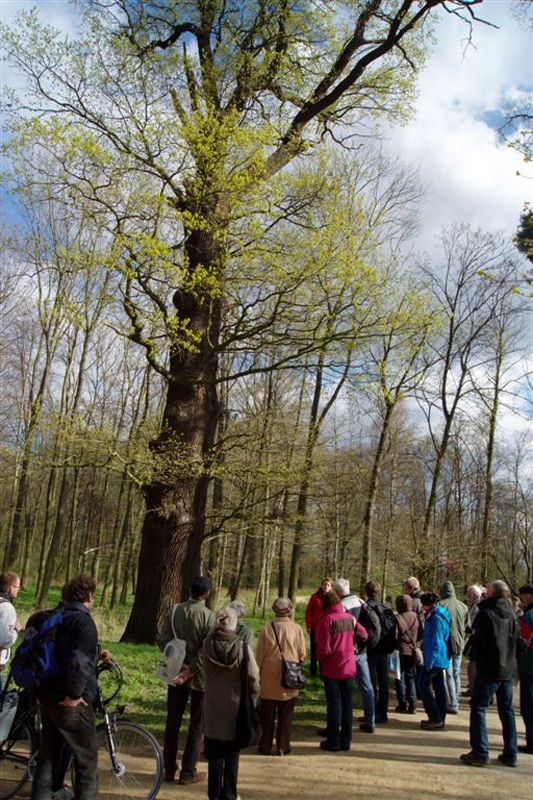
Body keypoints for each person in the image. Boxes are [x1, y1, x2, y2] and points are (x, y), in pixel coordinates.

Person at [30, 574, 99, 800]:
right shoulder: (83, 622)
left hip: (46, 695)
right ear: (89, 596)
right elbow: (78, 661)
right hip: (71, 703)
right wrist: (74, 695)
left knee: (47, 758)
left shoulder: (53, 616)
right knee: (86, 762)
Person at [158, 575, 216, 785]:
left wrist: (178, 662)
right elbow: (206, 650)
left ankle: (169, 769)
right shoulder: (210, 617)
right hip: (200, 677)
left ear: (190, 590)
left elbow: (163, 639)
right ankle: (188, 772)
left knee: (172, 721)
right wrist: (191, 667)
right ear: (206, 594)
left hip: (175, 671)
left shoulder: (174, 611)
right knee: (196, 725)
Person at [202, 606, 260, 800]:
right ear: (234, 625)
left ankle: (214, 794)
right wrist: (253, 696)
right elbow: (253, 677)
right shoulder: (243, 647)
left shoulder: (206, 645)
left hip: (212, 706)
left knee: (214, 754)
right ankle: (229, 794)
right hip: (235, 708)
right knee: (232, 754)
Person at [460, 579, 519, 767]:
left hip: (489, 669)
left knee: (478, 708)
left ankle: (480, 752)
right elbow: (517, 640)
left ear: (493, 593)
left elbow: (479, 642)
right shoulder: (512, 613)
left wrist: (476, 656)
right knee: (507, 711)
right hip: (507, 669)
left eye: (487, 591)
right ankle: (511, 753)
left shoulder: (486, 613)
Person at [315, 589, 368, 752]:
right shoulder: (350, 618)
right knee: (347, 704)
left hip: (332, 668)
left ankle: (333, 741)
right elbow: (365, 635)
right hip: (349, 666)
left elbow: (324, 649)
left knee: (334, 705)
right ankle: (346, 740)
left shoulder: (326, 621)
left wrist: (319, 659)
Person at [255, 597, 306, 756]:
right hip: (289, 677)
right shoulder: (297, 629)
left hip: (269, 677)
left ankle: (265, 746)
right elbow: (303, 654)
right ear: (290, 610)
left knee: (267, 715)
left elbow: (259, 657)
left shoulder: (266, 629)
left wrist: (257, 676)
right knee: (286, 715)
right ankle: (283, 746)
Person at [333, 578, 376, 733]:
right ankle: (370, 721)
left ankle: (338, 724)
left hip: (347, 651)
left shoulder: (342, 607)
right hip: (362, 649)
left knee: (343, 690)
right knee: (367, 686)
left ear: (336, 592)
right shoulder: (361, 602)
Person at [365, 580, 396, 724]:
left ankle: (371, 714)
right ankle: (382, 713)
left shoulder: (366, 608)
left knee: (371, 683)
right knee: (383, 683)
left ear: (366, 592)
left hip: (371, 649)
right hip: (384, 649)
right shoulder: (386, 609)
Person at [418, 591, 450, 730]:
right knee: (439, 687)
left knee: (422, 685)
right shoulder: (440, 615)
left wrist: (429, 661)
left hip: (434, 658)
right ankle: (439, 717)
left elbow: (436, 641)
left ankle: (435, 716)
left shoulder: (435, 618)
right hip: (440, 657)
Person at [438, 580, 468, 714]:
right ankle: (456, 698)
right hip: (460, 643)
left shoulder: (441, 605)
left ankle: (452, 702)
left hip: (447, 643)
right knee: (456, 672)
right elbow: (468, 626)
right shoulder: (464, 606)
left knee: (449, 673)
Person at [394, 594, 422, 714]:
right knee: (410, 677)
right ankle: (413, 704)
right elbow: (421, 633)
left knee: (399, 677)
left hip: (400, 650)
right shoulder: (416, 616)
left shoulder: (397, 618)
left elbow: (394, 636)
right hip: (412, 650)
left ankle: (402, 703)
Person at [517, 583, 533, 755]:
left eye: (524, 596)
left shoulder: (529, 616)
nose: (521, 599)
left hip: (529, 667)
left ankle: (531, 742)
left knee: (528, 706)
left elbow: (524, 642)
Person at [305, 578, 332, 678]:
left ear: (331, 587)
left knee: (325, 650)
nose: (326, 587)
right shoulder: (315, 597)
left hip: (327, 629)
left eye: (328, 585)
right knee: (314, 651)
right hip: (315, 628)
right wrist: (309, 626)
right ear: (321, 585)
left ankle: (324, 672)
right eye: (325, 584)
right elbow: (308, 612)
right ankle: (313, 673)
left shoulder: (332, 598)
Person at [0, 571, 21, 690]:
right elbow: (3, 640)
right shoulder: (7, 608)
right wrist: (16, 631)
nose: (18, 590)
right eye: (17, 587)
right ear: (10, 588)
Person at [463, 584, 484, 696]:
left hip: (476, 640)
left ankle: (475, 690)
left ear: (475, 595)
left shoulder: (478, 607)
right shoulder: (474, 605)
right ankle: (474, 689)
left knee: (474, 667)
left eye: (469, 594)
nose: (468, 597)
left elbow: (472, 623)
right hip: (475, 639)